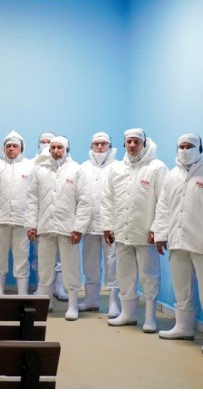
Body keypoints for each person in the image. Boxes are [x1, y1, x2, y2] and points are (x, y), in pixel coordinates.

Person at [153, 134, 203, 352]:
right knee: (181, 287)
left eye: (190, 146)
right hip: (177, 241)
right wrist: (161, 234)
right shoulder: (172, 175)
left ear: (200, 148)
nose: (185, 150)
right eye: (182, 146)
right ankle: (183, 327)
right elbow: (163, 207)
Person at [101, 128, 168, 332]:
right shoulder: (116, 169)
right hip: (122, 232)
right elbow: (107, 199)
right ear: (124, 144)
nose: (132, 145)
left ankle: (150, 317)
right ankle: (128, 314)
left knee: (149, 275)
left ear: (144, 144)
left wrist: (157, 229)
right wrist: (108, 226)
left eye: (136, 142)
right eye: (129, 142)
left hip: (146, 234)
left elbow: (164, 201)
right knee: (124, 274)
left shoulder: (156, 168)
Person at [26, 135, 91, 319]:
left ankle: (73, 305)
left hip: (68, 229)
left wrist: (79, 228)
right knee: (45, 267)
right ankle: (46, 303)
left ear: (66, 150)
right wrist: (31, 224)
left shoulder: (76, 170)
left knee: (70, 267)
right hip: (45, 227)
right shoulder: (40, 170)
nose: (56, 151)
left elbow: (84, 201)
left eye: (59, 147)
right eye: (53, 147)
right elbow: (32, 199)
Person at [0, 131, 33, 295]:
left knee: (22, 257)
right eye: (8, 146)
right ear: (4, 148)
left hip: (23, 221)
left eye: (15, 146)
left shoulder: (30, 167)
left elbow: (36, 195)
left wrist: (33, 221)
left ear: (21, 148)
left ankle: (22, 293)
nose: (11, 149)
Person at [78, 132, 120, 317]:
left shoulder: (118, 168)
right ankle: (91, 300)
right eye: (96, 144)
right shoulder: (83, 168)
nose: (100, 147)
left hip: (111, 227)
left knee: (113, 264)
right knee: (90, 264)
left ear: (110, 146)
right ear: (91, 146)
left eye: (103, 144)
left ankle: (113, 302)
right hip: (89, 225)